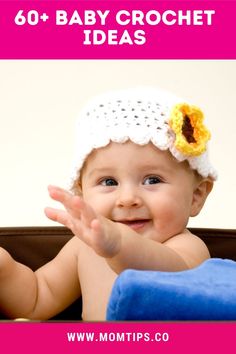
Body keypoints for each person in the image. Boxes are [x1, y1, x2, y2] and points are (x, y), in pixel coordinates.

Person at [0, 88, 217, 321]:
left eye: (152, 180)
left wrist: (120, 244)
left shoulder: (187, 249)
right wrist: (4, 268)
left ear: (196, 196)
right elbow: (37, 298)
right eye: (109, 181)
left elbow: (169, 278)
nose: (127, 199)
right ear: (82, 194)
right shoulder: (84, 248)